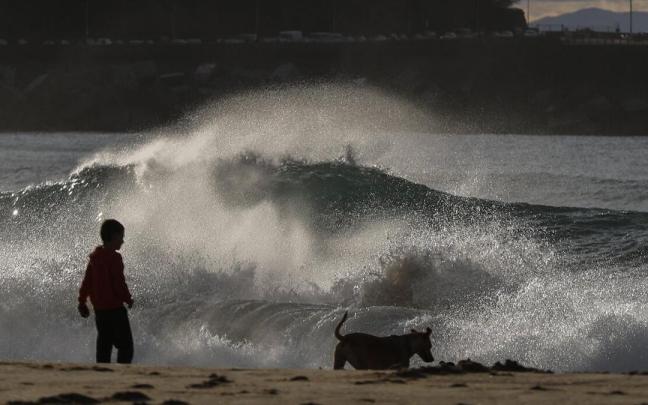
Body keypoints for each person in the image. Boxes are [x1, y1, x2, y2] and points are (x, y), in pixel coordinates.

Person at [78, 219, 134, 364]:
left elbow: (87, 282)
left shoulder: (95, 258)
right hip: (116, 310)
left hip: (100, 311)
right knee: (126, 347)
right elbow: (119, 283)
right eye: (121, 237)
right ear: (114, 237)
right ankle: (122, 373)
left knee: (104, 344)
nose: (123, 241)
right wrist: (128, 298)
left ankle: (102, 372)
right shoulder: (115, 258)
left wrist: (82, 301)